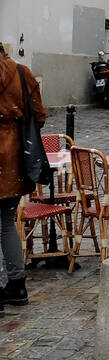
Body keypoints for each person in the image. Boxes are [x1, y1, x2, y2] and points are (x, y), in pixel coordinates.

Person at [0, 50, 46, 309]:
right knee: (6, 222)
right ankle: (17, 284)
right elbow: (39, 114)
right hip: (13, 157)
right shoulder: (20, 72)